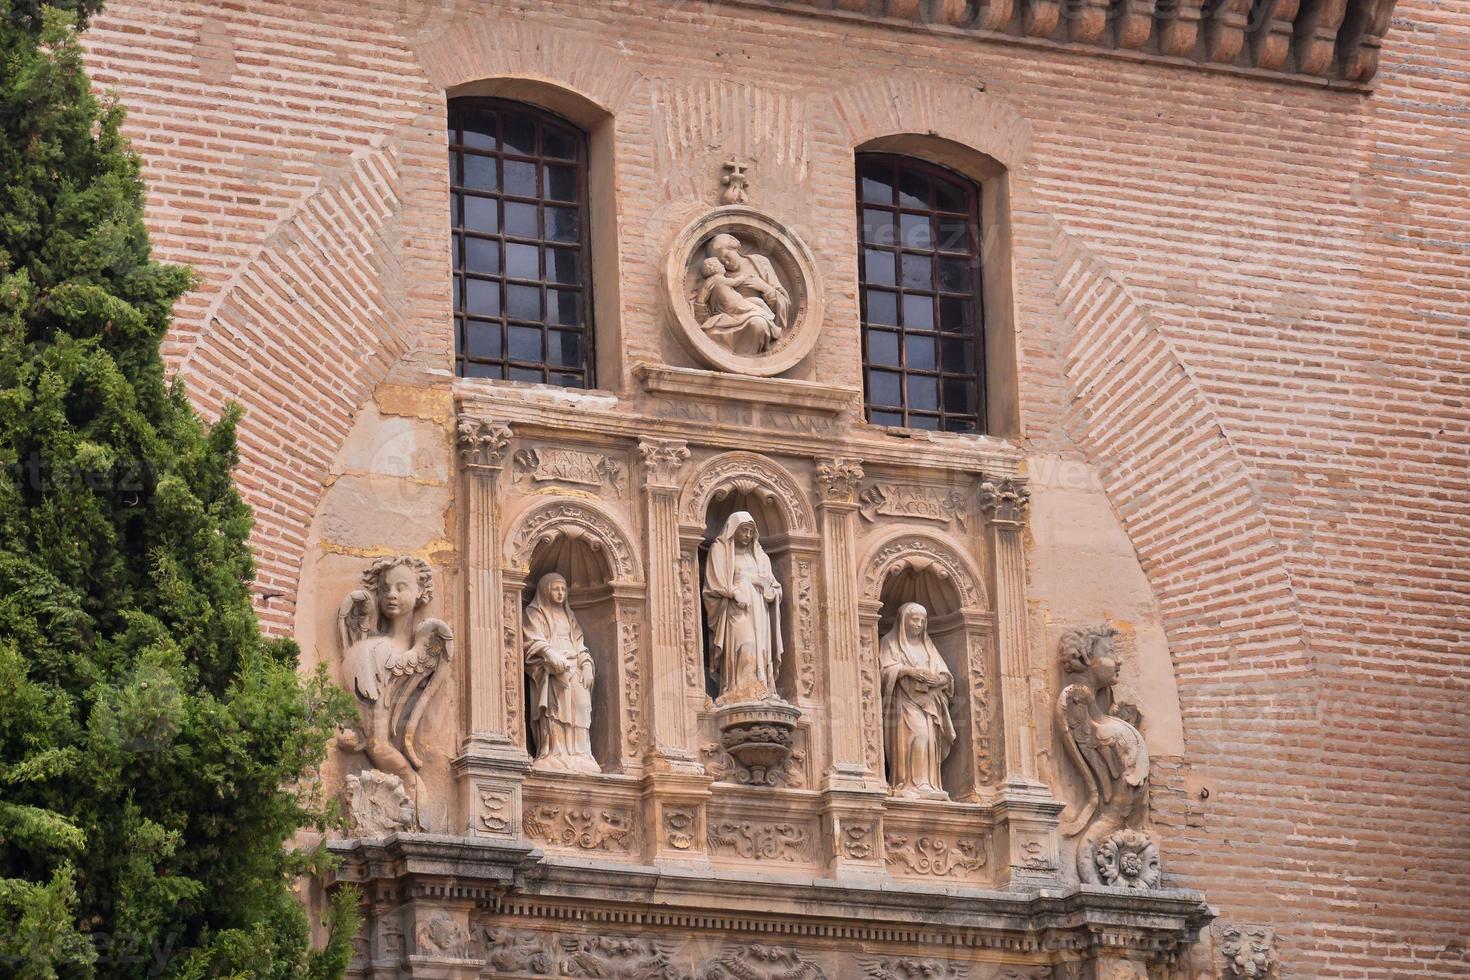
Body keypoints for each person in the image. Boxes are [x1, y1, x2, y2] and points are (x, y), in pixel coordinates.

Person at [703, 511, 784, 703]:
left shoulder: (761, 556)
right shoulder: (719, 549)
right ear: (733, 530)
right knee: (744, 644)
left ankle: (761, 687)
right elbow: (713, 584)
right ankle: (737, 688)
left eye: (750, 531)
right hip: (736, 610)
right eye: (743, 531)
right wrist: (732, 592)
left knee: (760, 650)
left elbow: (775, 587)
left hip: (759, 610)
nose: (747, 535)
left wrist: (768, 590)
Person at [523, 573, 598, 773]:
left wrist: (587, 664)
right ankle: (554, 752)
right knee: (555, 710)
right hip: (552, 670)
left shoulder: (569, 615)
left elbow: (580, 643)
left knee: (581, 705)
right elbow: (532, 639)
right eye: (556, 589)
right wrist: (549, 654)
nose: (560, 593)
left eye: (564, 589)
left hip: (574, 666)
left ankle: (581, 753)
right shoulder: (535, 612)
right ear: (546, 590)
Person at [879, 602, 955, 800]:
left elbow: (945, 675)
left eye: (922, 620)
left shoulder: (928, 646)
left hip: (929, 702)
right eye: (915, 619)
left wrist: (937, 679)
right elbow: (885, 670)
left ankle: (927, 784)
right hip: (903, 702)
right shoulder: (890, 642)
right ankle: (905, 783)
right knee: (916, 736)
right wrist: (909, 672)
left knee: (929, 739)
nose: (919, 624)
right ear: (904, 620)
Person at [694, 255, 782, 354]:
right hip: (734, 305)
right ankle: (771, 322)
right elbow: (735, 282)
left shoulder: (710, 281)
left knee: (758, 302)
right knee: (757, 305)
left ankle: (770, 320)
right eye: (720, 264)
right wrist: (743, 276)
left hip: (735, 302)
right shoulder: (718, 278)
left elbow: (701, 297)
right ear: (715, 268)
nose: (723, 265)